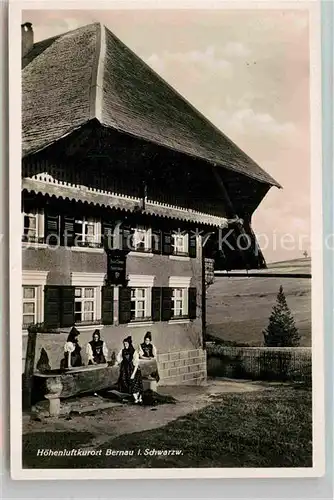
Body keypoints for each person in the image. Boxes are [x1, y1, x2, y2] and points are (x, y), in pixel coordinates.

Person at [116, 336, 143, 404]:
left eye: (126, 344)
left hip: (133, 370)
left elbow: (136, 364)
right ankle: (136, 398)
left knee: (134, 384)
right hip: (125, 370)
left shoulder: (134, 352)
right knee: (126, 383)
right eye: (124, 344)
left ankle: (138, 398)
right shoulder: (122, 351)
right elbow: (119, 359)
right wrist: (117, 363)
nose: (125, 345)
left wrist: (133, 374)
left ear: (129, 344)